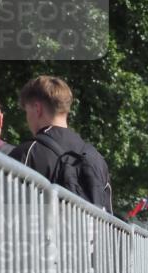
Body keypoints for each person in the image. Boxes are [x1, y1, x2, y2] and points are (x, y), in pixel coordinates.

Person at [10, 76, 112, 213]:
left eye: (27, 111)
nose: (27, 119)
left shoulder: (28, 153)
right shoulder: (97, 159)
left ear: (37, 109)